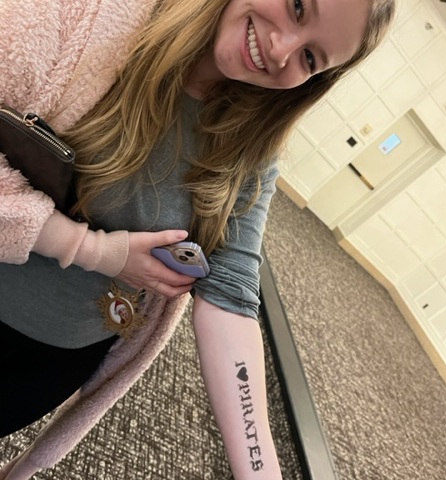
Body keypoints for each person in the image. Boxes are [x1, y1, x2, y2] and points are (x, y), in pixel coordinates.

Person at [0, 0, 395, 478]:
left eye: (310, 58)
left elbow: (231, 294)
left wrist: (259, 470)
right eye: (296, 6)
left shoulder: (251, 144)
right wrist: (96, 251)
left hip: (57, 359)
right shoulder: (91, 16)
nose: (281, 49)